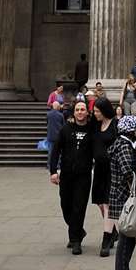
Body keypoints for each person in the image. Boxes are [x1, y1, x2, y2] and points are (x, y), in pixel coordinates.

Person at [106, 113, 136, 270]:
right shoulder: (124, 146)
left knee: (128, 236)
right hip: (125, 197)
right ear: (131, 130)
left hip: (123, 195)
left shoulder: (124, 144)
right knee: (127, 237)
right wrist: (135, 190)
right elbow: (127, 171)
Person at [48, 97, 96, 254]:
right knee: (66, 206)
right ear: (73, 113)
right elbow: (55, 151)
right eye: (77, 110)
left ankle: (75, 240)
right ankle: (78, 230)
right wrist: (53, 171)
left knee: (79, 207)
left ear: (87, 112)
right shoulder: (66, 129)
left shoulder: (91, 129)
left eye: (82, 109)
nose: (80, 112)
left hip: (83, 175)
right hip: (67, 174)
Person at [90, 96, 120, 257]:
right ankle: (113, 230)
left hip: (112, 170)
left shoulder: (115, 124)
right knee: (100, 203)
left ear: (104, 110)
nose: (95, 113)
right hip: (99, 170)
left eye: (97, 111)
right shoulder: (95, 124)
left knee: (108, 204)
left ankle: (106, 240)